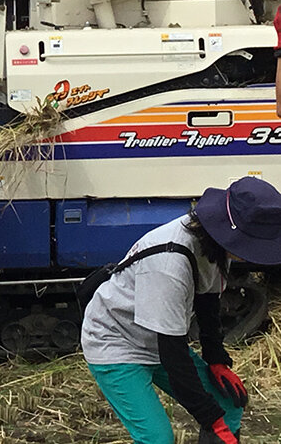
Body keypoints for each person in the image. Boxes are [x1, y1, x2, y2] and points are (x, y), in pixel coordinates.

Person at [82, 176, 281, 444]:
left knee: (230, 405)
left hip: (156, 339)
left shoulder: (214, 246)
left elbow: (208, 303)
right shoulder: (169, 264)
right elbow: (173, 355)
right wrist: (209, 416)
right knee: (158, 438)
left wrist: (217, 359)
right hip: (116, 342)